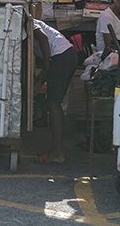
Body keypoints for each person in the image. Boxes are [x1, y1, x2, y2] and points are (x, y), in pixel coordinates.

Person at [33, 19, 79, 164]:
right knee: (53, 103)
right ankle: (55, 149)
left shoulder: (29, 21)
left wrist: (46, 67)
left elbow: (43, 38)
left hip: (61, 57)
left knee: (54, 103)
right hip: (65, 55)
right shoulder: (32, 21)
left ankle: (58, 153)